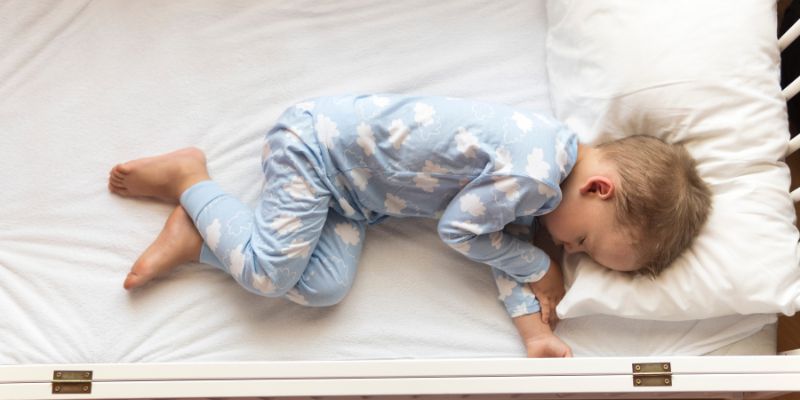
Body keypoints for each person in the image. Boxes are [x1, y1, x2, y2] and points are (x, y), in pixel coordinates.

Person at [108, 94, 711, 358]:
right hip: (317, 149)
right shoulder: (533, 176)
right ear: (598, 189)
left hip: (354, 199)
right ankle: (191, 178)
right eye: (582, 242)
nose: (565, 247)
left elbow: (497, 245)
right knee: (270, 276)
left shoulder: (542, 189)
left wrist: (534, 333)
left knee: (321, 289)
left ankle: (201, 238)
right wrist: (540, 266)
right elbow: (464, 235)